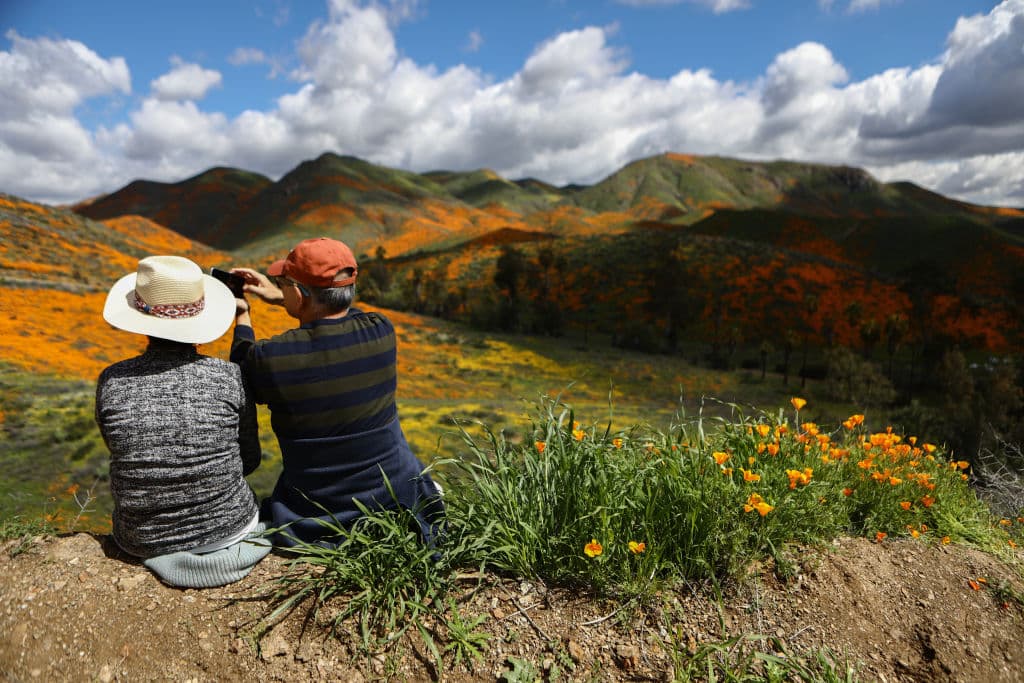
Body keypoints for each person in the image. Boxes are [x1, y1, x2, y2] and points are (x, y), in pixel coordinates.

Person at [229, 237, 443, 548]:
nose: (279, 286)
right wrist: (284, 297)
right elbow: (340, 311)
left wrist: (243, 315)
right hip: (398, 498)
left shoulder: (273, 357)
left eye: (283, 282)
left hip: (318, 513)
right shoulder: (380, 329)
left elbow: (239, 373)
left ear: (301, 294)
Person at [96, 255, 270, 587]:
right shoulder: (230, 377)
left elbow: (121, 450)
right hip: (228, 528)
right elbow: (250, 460)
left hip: (140, 538)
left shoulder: (111, 380)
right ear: (199, 318)